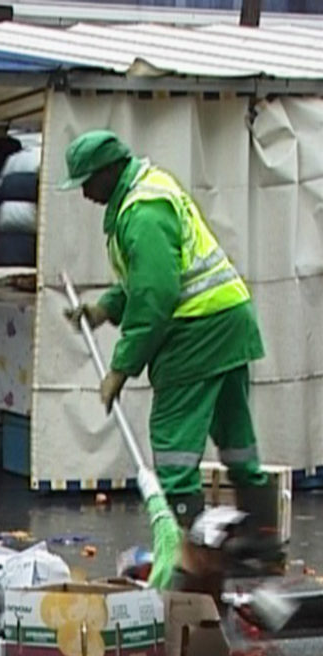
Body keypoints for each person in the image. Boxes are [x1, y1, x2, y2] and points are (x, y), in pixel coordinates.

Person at [60, 129, 280, 577]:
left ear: (108, 172)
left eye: (86, 181)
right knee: (238, 444)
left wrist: (121, 367)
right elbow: (148, 278)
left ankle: (191, 563)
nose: (83, 193)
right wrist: (105, 308)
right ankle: (262, 546)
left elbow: (157, 295)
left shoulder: (141, 212)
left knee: (174, 450)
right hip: (228, 320)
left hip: (195, 332)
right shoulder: (151, 187)